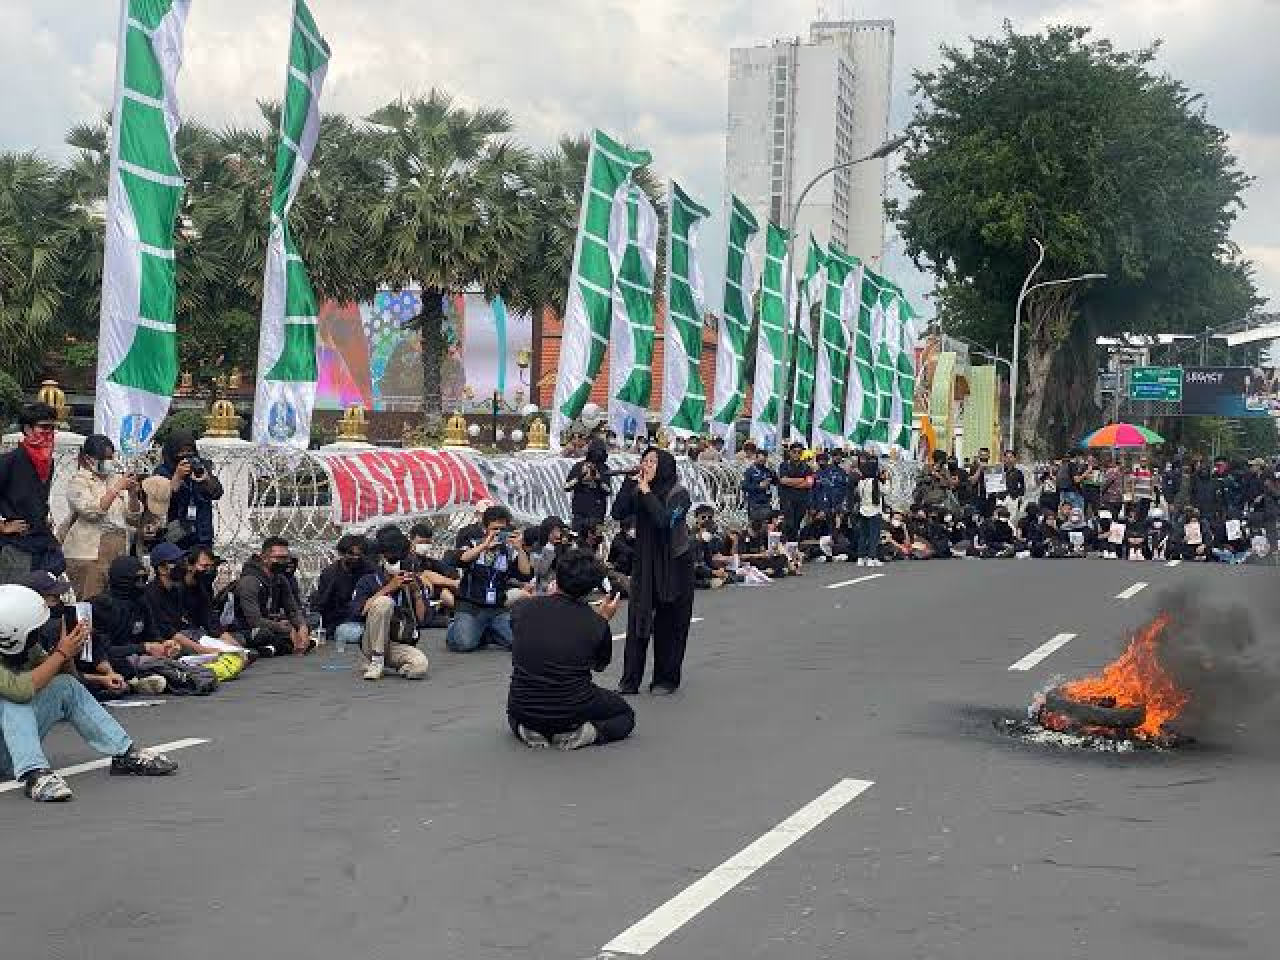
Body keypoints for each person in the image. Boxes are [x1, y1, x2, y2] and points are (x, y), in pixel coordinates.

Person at [0, 584, 178, 802]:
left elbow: (65, 679)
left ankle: (125, 753)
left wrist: (68, 650)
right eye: (32, 631)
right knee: (12, 700)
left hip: (5, 749)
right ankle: (35, 775)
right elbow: (20, 690)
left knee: (66, 685)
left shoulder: (24, 646)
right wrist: (61, 653)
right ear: (13, 633)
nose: (36, 635)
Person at [507, 548, 633, 750]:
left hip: (524, 705)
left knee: (514, 712)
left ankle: (528, 729)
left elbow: (522, 631)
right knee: (625, 716)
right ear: (591, 588)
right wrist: (603, 620)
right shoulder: (594, 622)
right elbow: (599, 665)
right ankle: (583, 733)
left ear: (557, 576)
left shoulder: (523, 608)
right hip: (572, 708)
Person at [611, 447, 695, 696]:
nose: (646, 465)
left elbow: (664, 522)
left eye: (652, 461)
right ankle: (629, 681)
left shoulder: (680, 494)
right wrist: (629, 485)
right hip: (645, 561)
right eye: (644, 460)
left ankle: (665, 679)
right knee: (638, 619)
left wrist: (646, 492)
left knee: (670, 623)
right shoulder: (640, 488)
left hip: (674, 564)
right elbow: (618, 513)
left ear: (666, 466)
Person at [20, 571, 137, 701]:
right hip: (33, 684)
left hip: (74, 671)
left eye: (60, 597)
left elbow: (94, 648)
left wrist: (109, 673)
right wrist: (101, 679)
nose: (59, 602)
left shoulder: (67, 617)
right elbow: (51, 673)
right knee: (69, 687)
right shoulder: (29, 631)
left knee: (122, 667)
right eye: (54, 598)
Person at [61, 434, 142, 600]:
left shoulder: (117, 479)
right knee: (89, 601)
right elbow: (92, 512)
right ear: (89, 459)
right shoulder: (79, 481)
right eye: (104, 458)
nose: (109, 462)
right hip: (88, 554)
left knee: (113, 602)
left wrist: (133, 495)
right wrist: (116, 489)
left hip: (118, 550)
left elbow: (133, 517)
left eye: (111, 457)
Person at [447, 505, 532, 653]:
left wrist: (520, 548)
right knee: (464, 644)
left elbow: (525, 574)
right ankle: (457, 627)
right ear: (485, 528)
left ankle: (485, 631)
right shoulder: (474, 544)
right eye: (495, 529)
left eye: (502, 529)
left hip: (497, 607)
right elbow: (460, 559)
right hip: (471, 606)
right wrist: (484, 546)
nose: (499, 533)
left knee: (520, 643)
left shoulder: (509, 550)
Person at [350, 527, 431, 681]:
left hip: (397, 643)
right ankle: (376, 660)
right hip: (372, 641)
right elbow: (359, 612)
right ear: (382, 558)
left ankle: (391, 664)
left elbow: (423, 619)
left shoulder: (413, 580)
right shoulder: (368, 581)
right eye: (392, 560)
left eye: (401, 560)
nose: (397, 564)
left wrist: (416, 592)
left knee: (421, 665)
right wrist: (388, 588)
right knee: (384, 602)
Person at [0, 403, 64, 583]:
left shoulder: (48, 463)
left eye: (53, 428)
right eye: (44, 427)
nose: (49, 432)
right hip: (16, 546)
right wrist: (3, 525)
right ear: (27, 429)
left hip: (42, 543)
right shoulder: (8, 461)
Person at [144, 431, 223, 551]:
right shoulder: (162, 471)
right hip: (176, 534)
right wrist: (177, 477)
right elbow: (161, 500)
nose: (185, 455)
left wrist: (206, 478)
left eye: (189, 451)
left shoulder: (201, 465)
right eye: (181, 451)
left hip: (202, 533)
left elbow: (217, 493)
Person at [232, 537, 310, 656]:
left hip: (272, 623)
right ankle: (275, 647)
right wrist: (286, 628)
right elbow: (254, 621)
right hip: (248, 629)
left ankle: (277, 647)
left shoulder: (280, 578)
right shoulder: (250, 581)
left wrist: (302, 627)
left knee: (310, 620)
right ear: (264, 558)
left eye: (286, 557)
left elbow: (293, 610)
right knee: (264, 634)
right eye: (279, 558)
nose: (284, 562)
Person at [312, 534, 372, 643]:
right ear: (341, 553)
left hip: (366, 619)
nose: (356, 558)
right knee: (351, 632)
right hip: (341, 623)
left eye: (359, 555)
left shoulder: (369, 569)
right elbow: (322, 604)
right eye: (351, 554)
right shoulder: (331, 574)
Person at [564, 438, 613, 538]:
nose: (597, 455)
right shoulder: (578, 466)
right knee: (577, 541)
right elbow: (566, 487)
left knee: (596, 541)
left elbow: (608, 491)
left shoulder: (604, 468)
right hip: (580, 515)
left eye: (600, 452)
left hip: (597, 515)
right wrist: (580, 477)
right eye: (595, 452)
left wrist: (598, 480)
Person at [776, 443, 814, 540]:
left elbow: (810, 483)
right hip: (787, 500)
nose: (797, 454)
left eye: (799, 452)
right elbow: (783, 480)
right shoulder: (784, 465)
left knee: (797, 525)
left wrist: (792, 482)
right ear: (790, 452)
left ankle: (793, 546)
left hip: (801, 500)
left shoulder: (807, 467)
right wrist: (802, 480)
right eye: (794, 452)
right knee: (788, 524)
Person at [853, 464, 885, 567]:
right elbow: (886, 491)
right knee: (874, 536)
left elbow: (858, 494)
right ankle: (872, 557)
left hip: (863, 510)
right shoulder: (876, 482)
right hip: (874, 511)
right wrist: (887, 480)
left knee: (863, 535)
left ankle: (861, 558)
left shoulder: (861, 482)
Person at [740, 448, 777, 522]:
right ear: (756, 458)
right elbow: (744, 486)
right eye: (760, 461)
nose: (762, 463)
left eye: (764, 461)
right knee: (754, 526)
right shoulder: (749, 471)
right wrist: (758, 486)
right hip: (754, 503)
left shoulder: (768, 471)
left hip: (766, 503)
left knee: (765, 526)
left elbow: (776, 482)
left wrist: (774, 475)